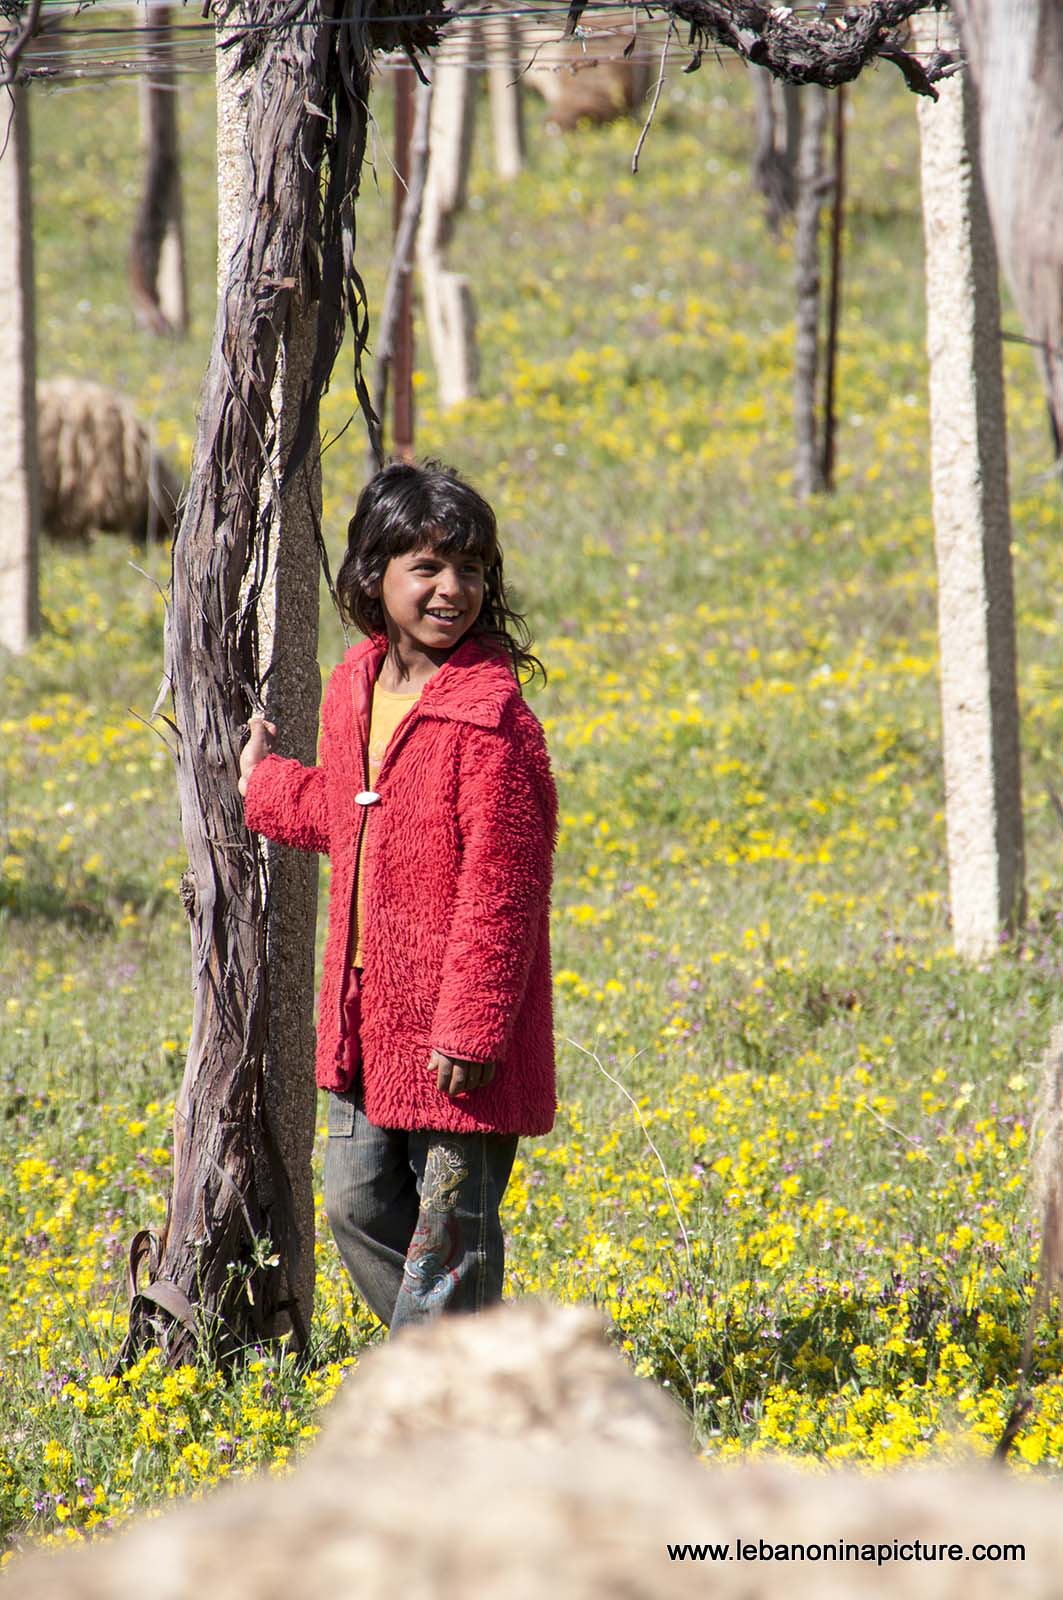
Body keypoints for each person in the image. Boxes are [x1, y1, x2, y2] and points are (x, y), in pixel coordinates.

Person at [238, 460, 556, 1334]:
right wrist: (262, 786)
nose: (453, 589)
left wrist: (472, 1027)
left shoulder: (494, 723)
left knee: (449, 1239)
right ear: (372, 577)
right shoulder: (354, 689)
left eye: (471, 570)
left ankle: (454, 1414)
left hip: (460, 1038)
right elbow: (348, 812)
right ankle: (464, 1366)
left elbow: (506, 887)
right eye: (427, 568)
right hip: (365, 1026)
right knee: (353, 1202)